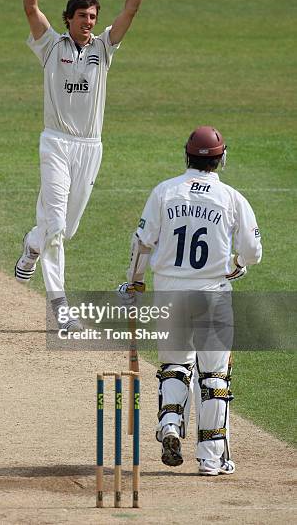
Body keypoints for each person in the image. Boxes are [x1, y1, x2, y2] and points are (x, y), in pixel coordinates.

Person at [15, 0, 156, 330]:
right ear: (69, 19)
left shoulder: (103, 49)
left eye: (93, 17)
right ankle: (60, 307)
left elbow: (130, 12)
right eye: (82, 16)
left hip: (90, 149)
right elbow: (31, 11)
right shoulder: (51, 46)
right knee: (57, 226)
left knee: (64, 229)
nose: (89, 22)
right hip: (56, 144)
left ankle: (31, 245)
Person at [119, 126, 262, 475]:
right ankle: (211, 460)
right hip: (212, 295)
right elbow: (253, 252)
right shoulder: (231, 198)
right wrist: (237, 265)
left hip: (169, 292)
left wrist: (134, 284)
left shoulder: (165, 192)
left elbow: (142, 244)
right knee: (213, 376)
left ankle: (170, 424)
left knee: (175, 366)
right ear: (221, 158)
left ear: (186, 154)